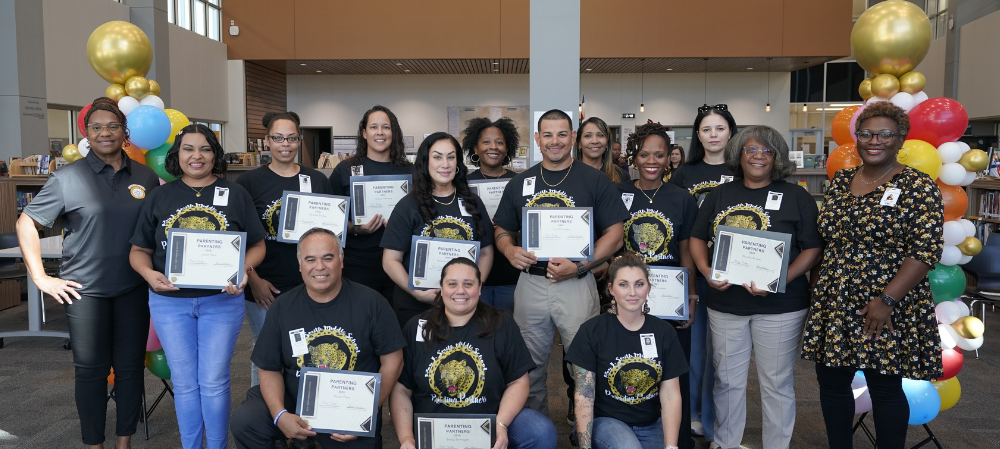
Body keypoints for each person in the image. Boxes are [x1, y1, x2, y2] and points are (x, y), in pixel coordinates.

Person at [15, 96, 159, 449]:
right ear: (86, 133)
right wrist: (40, 277)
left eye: (112, 125)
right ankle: (94, 444)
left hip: (133, 289)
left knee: (129, 371)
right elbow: (26, 222)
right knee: (91, 374)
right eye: (96, 127)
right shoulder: (68, 177)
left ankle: (123, 443)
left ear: (125, 132)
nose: (105, 132)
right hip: (84, 292)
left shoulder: (146, 176)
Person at [801, 102, 944, 449]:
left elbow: (924, 252)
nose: (873, 140)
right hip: (835, 299)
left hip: (886, 303)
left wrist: (886, 301)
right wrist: (816, 295)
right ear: (856, 139)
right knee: (832, 384)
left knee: (885, 387)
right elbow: (827, 240)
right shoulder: (841, 182)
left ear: (900, 139)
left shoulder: (917, 186)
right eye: (865, 133)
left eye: (884, 134)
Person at [129, 124, 267, 449]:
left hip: (221, 302)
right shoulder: (160, 196)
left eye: (205, 148)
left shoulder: (235, 194)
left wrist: (242, 270)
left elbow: (258, 246)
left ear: (214, 154)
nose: (197, 156)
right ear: (177, 154)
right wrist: (150, 275)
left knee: (214, 381)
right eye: (188, 148)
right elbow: (138, 252)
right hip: (169, 303)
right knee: (185, 383)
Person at [689, 125, 822, 449]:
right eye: (751, 150)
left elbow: (813, 248)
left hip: (781, 306)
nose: (759, 156)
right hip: (726, 304)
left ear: (776, 157)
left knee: (776, 383)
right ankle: (725, 443)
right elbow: (696, 237)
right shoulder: (720, 194)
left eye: (766, 151)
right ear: (739, 154)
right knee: (727, 381)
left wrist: (781, 279)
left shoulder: (797, 196)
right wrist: (707, 271)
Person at [492, 109, 629, 417]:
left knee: (586, 367)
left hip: (577, 284)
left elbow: (615, 235)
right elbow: (501, 228)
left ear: (574, 138)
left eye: (562, 134)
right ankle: (535, 434)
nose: (555, 141)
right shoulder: (520, 183)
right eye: (548, 135)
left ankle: (587, 433)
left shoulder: (594, 180)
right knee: (529, 369)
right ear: (538, 139)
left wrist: (580, 265)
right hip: (531, 283)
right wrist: (509, 250)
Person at [230, 228, 406, 449]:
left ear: (341, 260)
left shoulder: (373, 303)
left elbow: (394, 361)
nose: (319, 267)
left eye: (328, 258)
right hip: (296, 400)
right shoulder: (283, 307)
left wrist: (364, 414)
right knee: (248, 421)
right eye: (310, 259)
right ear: (300, 264)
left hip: (351, 406)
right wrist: (280, 415)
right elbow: (268, 367)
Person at [390, 257, 557, 449]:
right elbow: (401, 389)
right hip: (435, 430)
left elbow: (518, 381)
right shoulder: (417, 327)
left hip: (489, 422)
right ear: (442, 289)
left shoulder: (502, 323)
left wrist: (501, 425)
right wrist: (406, 439)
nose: (460, 290)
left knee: (540, 431)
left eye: (468, 284)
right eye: (452, 284)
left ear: (479, 288)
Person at [235, 111, 334, 387]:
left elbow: (330, 234)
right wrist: (253, 281)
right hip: (266, 285)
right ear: (267, 141)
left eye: (291, 138)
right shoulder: (248, 183)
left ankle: (307, 410)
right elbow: (239, 237)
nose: (285, 144)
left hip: (312, 283)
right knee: (266, 351)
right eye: (278, 138)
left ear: (299, 139)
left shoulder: (317, 180)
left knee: (310, 348)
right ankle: (266, 415)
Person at [617, 122, 699, 448]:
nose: (652, 160)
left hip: (670, 298)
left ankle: (677, 440)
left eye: (659, 154)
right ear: (633, 157)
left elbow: (687, 251)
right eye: (644, 154)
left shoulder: (681, 198)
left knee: (674, 374)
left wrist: (690, 295)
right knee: (630, 367)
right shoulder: (617, 194)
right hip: (628, 298)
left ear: (669, 159)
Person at [668, 104, 738, 441]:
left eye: (720, 128)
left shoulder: (744, 171)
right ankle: (693, 414)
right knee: (694, 352)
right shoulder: (684, 174)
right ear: (697, 135)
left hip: (732, 276)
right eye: (707, 129)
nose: (713, 135)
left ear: (730, 133)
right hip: (693, 274)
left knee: (722, 356)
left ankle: (714, 421)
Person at [567, 253, 688, 449]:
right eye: (623, 285)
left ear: (648, 288)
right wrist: (585, 447)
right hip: (605, 423)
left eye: (639, 284)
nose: (632, 292)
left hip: (650, 424)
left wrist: (671, 447)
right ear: (611, 289)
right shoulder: (591, 331)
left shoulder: (664, 332)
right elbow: (584, 395)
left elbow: (671, 395)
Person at [381, 132, 495, 327]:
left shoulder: (473, 203)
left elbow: (485, 252)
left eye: (451, 157)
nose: (445, 164)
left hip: (463, 304)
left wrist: (473, 288)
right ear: (426, 162)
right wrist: (416, 292)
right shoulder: (408, 205)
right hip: (416, 306)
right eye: (437, 157)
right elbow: (390, 260)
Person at [328, 105, 413, 303]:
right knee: (360, 319)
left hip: (402, 261)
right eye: (374, 127)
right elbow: (330, 220)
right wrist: (357, 229)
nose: (380, 132)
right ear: (364, 133)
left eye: (386, 127)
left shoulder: (410, 171)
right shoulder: (345, 170)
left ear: (394, 132)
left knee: (397, 322)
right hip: (358, 262)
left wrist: (403, 224)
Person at [463, 117, 521, 311]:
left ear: (507, 148)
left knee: (510, 330)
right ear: (475, 148)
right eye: (486, 142)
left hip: (512, 272)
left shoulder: (519, 182)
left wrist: (510, 226)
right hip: (476, 269)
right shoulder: (463, 184)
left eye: (499, 142)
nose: (493, 147)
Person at [575, 117, 629, 184]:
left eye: (600, 135)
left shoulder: (621, 176)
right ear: (579, 143)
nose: (595, 141)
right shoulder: (568, 175)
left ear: (607, 143)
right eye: (588, 136)